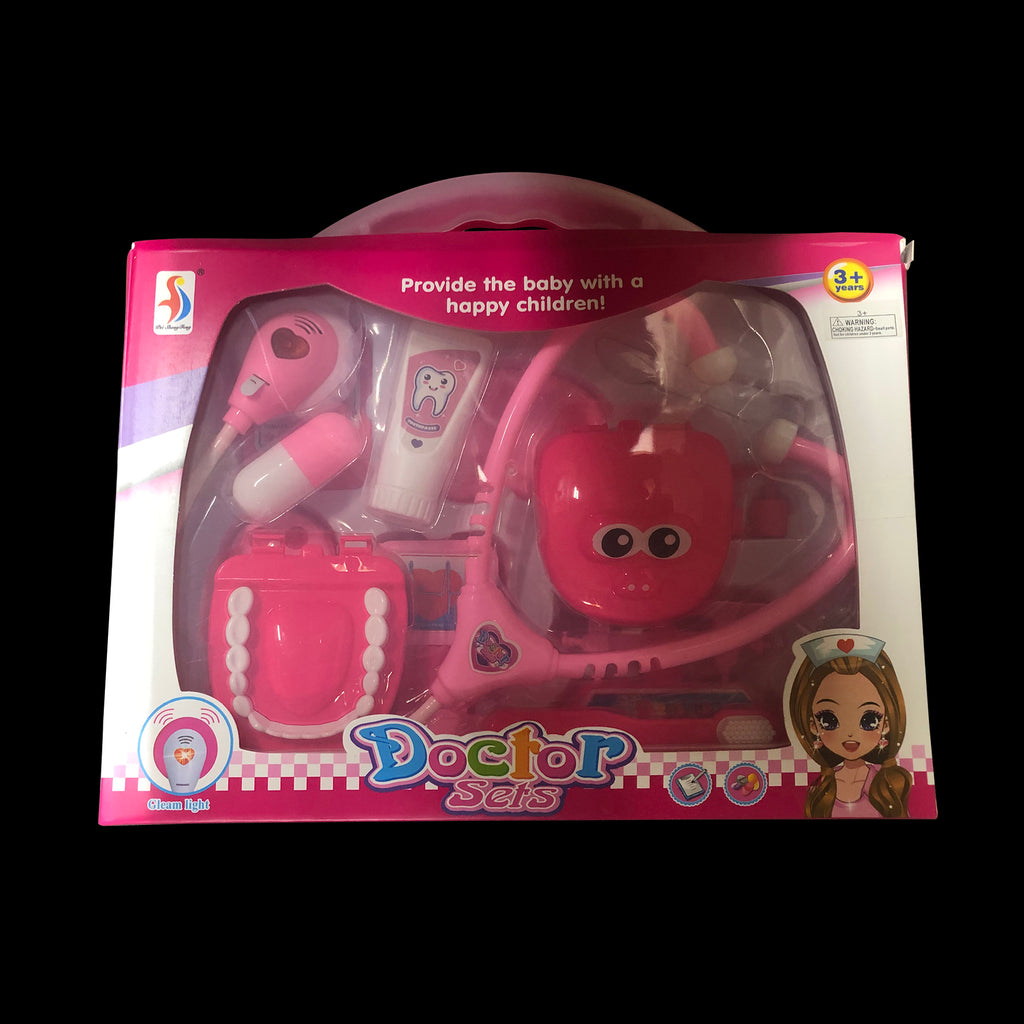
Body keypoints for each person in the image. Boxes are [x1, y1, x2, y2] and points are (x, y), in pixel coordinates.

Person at [788, 634, 912, 818]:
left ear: (886, 724)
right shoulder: (820, 789)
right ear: (813, 725)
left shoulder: (886, 785)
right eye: (828, 720)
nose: (850, 733)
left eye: (869, 720)